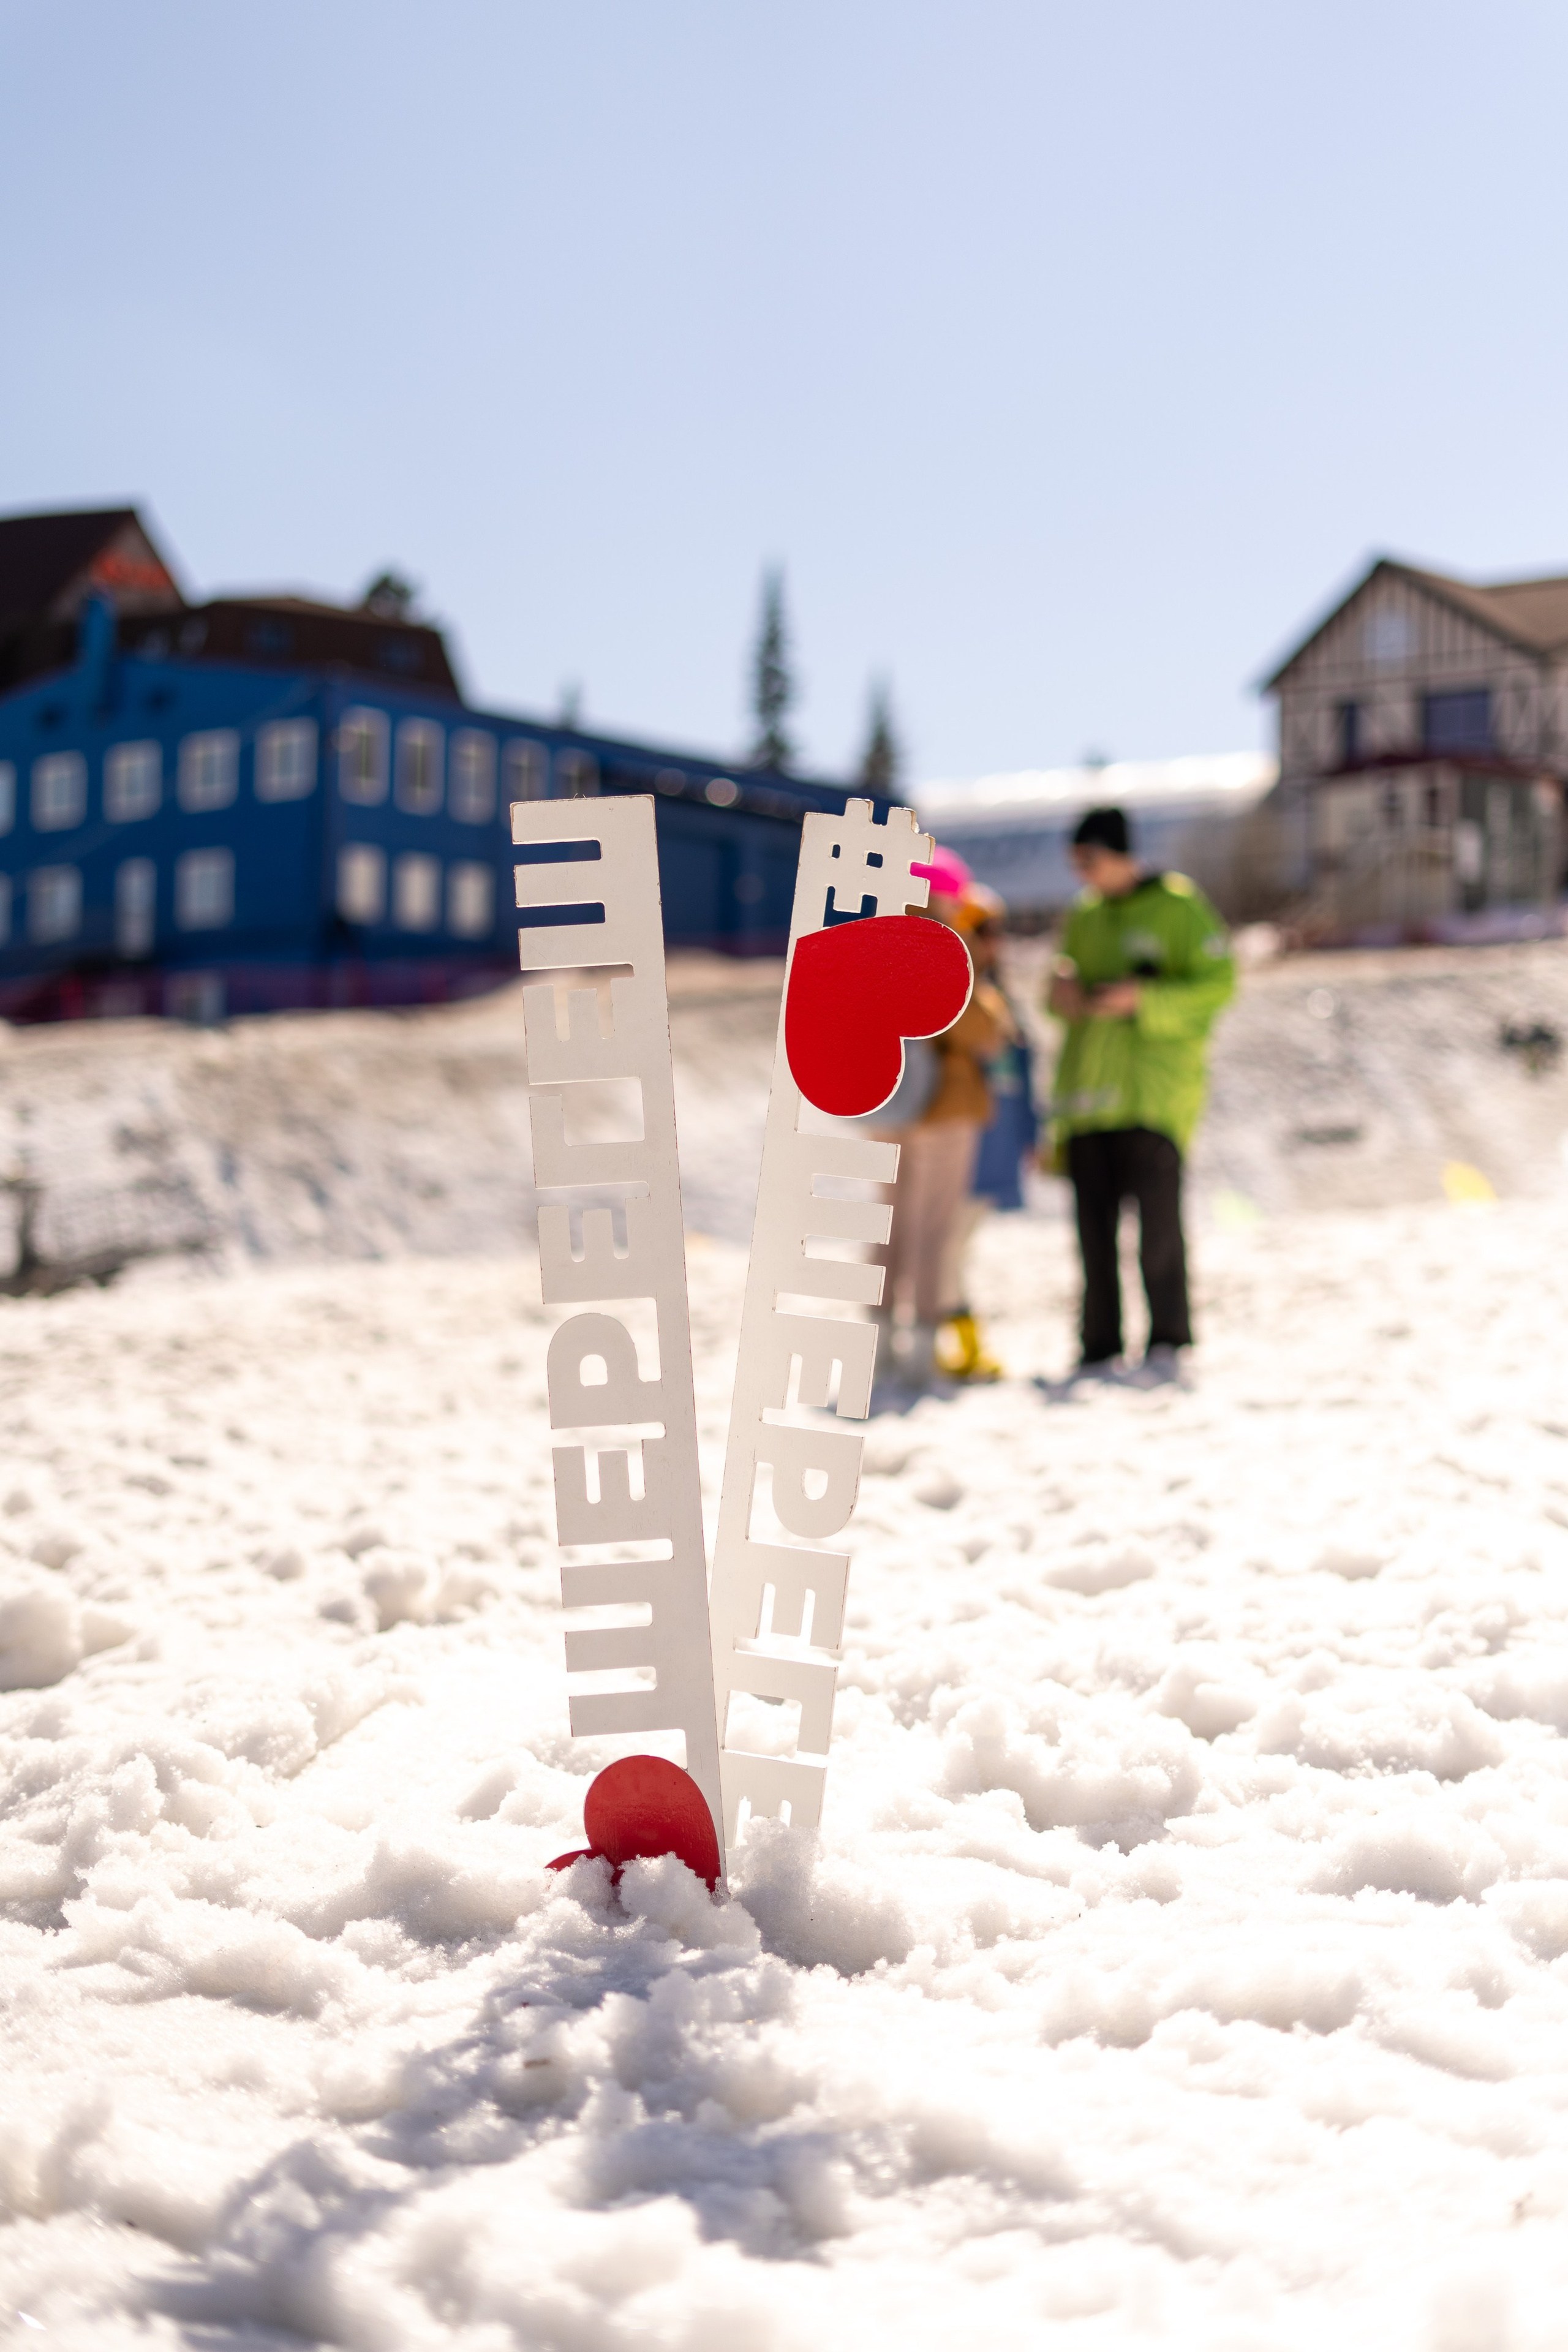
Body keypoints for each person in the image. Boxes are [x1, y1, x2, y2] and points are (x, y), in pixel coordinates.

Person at [1044, 806, 1234, 1374]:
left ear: (1120, 852)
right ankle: (1099, 1343)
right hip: (1088, 1098)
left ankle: (1169, 1339)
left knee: (1159, 1231)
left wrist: (1144, 1000)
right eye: (1075, 863)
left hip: (1155, 1095)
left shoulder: (1180, 906)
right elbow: (1059, 993)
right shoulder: (1084, 915)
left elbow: (1221, 984)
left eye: (1089, 860)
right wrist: (1061, 992)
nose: (1082, 874)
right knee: (1093, 1238)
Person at [875, 851, 1014, 1385]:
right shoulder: (946, 942)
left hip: (887, 1103)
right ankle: (922, 1353)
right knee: (934, 1227)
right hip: (944, 1106)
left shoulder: (880, 941)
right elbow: (976, 1028)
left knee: (886, 1227)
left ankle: (881, 1343)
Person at [933, 884, 1036, 1381]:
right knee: (947, 1246)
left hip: (995, 1145)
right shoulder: (956, 993)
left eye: (997, 930)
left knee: (956, 1246)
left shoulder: (1000, 996)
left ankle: (958, 1344)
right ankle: (959, 1343)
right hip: (960, 1143)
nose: (993, 942)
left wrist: (1032, 1138)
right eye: (981, 930)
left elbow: (1025, 1076)